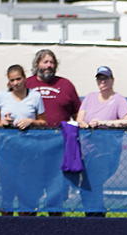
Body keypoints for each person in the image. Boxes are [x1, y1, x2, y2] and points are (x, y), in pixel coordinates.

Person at [25, 49, 82, 216]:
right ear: (37, 64)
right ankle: (26, 224)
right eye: (45, 62)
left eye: (52, 62)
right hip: (31, 145)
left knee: (56, 189)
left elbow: (78, 114)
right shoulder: (27, 84)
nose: (49, 65)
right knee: (31, 188)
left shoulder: (66, 85)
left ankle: (55, 227)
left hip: (58, 147)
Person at [76, 65, 127, 217]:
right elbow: (80, 118)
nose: (102, 81)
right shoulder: (90, 97)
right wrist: (85, 124)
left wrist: (104, 123)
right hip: (86, 150)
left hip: (106, 152)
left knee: (93, 183)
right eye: (99, 78)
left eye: (105, 78)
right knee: (87, 186)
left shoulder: (118, 99)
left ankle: (96, 217)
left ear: (112, 80)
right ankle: (94, 216)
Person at [0, 64, 46, 216]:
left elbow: (43, 122)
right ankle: (6, 227)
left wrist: (31, 122)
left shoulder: (35, 96)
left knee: (28, 190)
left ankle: (27, 227)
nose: (16, 83)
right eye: (12, 80)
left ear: (25, 78)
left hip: (30, 151)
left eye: (18, 79)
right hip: (7, 151)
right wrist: (3, 123)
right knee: (8, 189)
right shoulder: (1, 96)